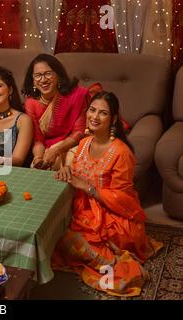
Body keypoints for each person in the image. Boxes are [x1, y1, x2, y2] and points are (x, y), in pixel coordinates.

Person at [52, 91, 163, 297]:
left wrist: (88, 188)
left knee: (67, 241)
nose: (94, 116)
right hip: (84, 210)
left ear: (113, 119)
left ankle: (115, 264)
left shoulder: (121, 153)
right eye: (92, 110)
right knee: (51, 230)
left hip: (115, 218)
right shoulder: (85, 142)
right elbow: (77, 173)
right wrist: (67, 169)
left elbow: (125, 200)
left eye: (102, 113)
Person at [22, 54, 89, 170]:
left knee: (71, 161)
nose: (43, 80)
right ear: (32, 80)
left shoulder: (77, 96)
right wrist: (38, 158)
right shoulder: (31, 103)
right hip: (45, 151)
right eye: (38, 75)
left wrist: (57, 149)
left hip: (74, 145)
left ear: (58, 75)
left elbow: (79, 132)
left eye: (48, 73)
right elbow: (37, 140)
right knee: (37, 167)